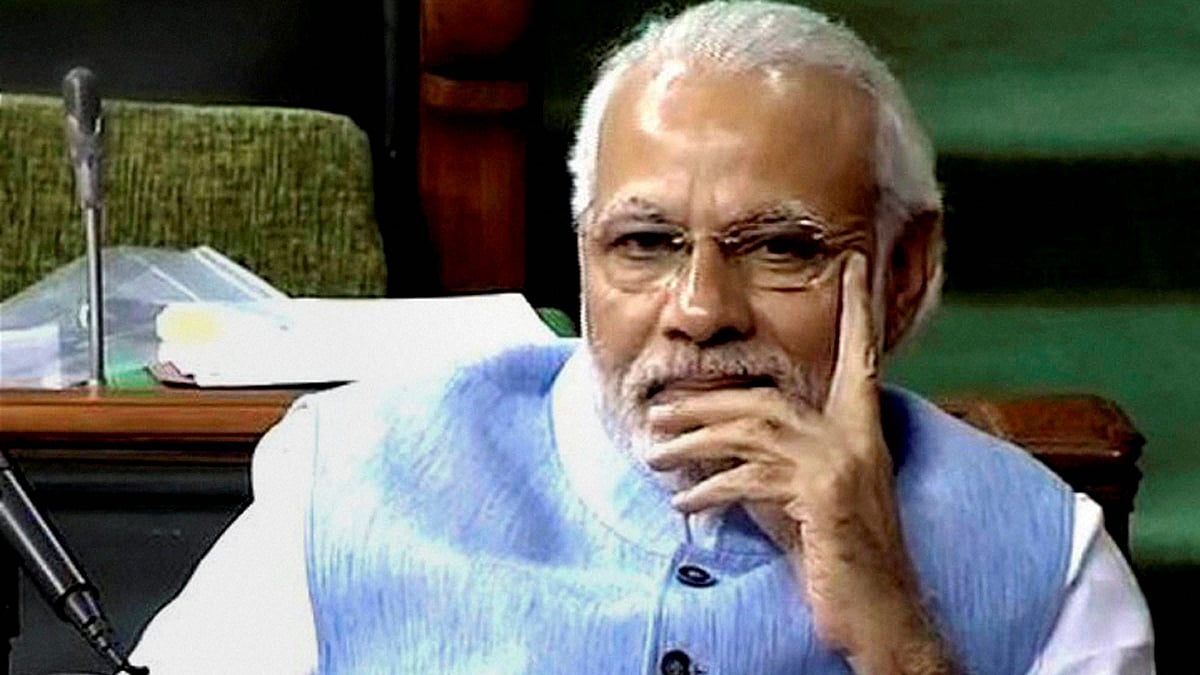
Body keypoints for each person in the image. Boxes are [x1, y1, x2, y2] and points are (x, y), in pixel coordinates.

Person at [131, 2, 1153, 673]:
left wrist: (896, 636)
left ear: (904, 272)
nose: (701, 309)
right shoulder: (348, 487)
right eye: (647, 243)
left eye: (781, 248)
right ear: (582, 256)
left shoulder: (1047, 558)